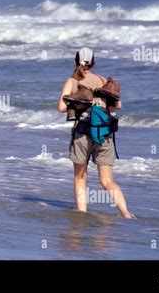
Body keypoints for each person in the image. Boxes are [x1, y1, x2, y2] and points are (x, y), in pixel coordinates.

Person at [57, 47, 133, 219]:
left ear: (75, 61)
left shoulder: (72, 81)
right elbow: (118, 106)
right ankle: (126, 213)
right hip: (104, 132)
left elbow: (61, 108)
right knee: (107, 181)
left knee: (80, 178)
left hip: (82, 133)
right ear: (93, 62)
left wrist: (78, 102)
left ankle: (82, 214)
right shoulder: (101, 80)